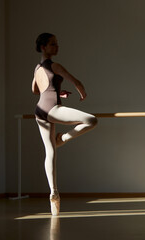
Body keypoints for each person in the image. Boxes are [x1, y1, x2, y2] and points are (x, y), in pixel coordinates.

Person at [32, 33, 98, 215]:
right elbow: (75, 81)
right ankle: (63, 138)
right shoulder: (55, 65)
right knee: (91, 120)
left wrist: (56, 92)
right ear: (44, 47)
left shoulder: (37, 68)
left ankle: (54, 192)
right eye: (53, 44)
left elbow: (35, 89)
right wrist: (81, 89)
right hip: (51, 109)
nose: (57, 47)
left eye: (57, 44)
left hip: (39, 110)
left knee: (50, 151)